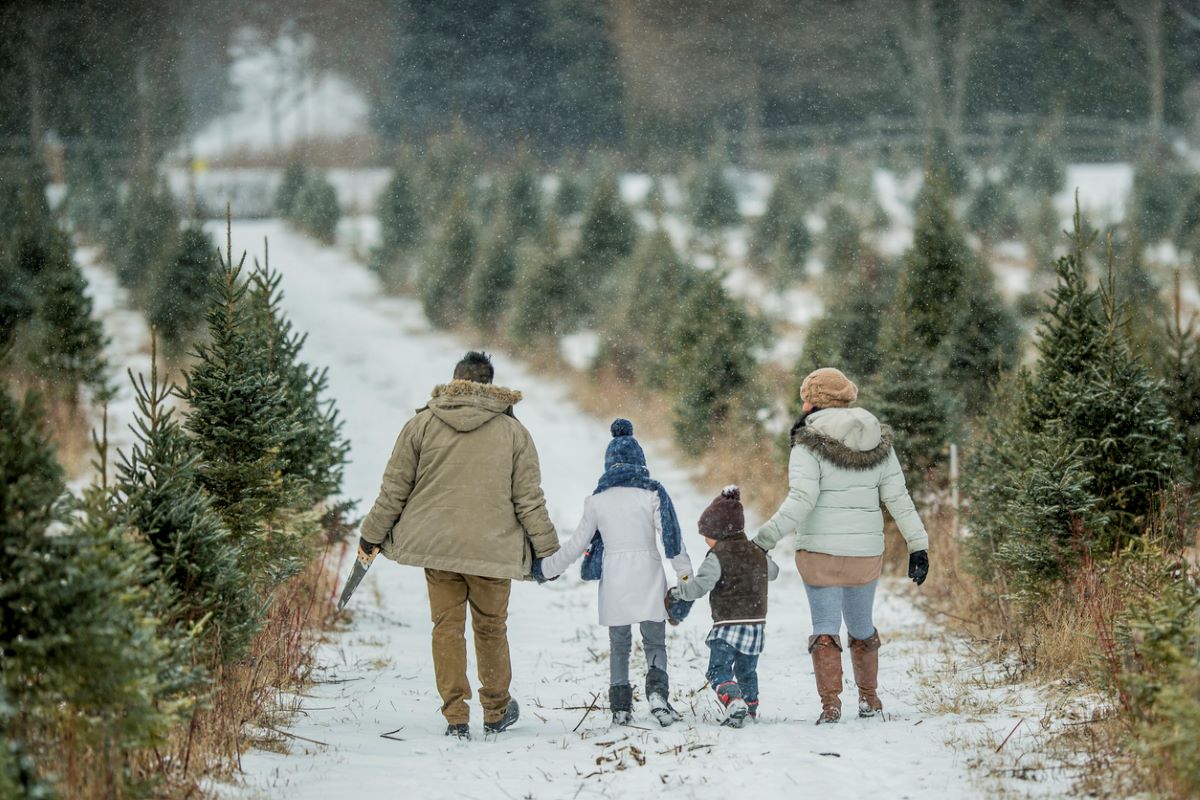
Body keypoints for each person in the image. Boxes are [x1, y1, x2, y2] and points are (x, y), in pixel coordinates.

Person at [359, 352, 560, 740]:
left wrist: (371, 534)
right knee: (491, 628)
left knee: (446, 629)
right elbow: (529, 500)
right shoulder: (514, 433)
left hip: (440, 547)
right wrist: (548, 551)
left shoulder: (421, 425)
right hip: (493, 550)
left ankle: (455, 716)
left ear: (454, 382)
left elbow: (394, 489)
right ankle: (496, 711)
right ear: (491, 385)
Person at [752, 367, 929, 725]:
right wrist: (918, 545)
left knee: (825, 628)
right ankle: (869, 698)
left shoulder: (807, 442)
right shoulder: (877, 439)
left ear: (813, 401)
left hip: (820, 553)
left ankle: (831, 705)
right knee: (862, 625)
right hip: (865, 553)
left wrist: (763, 539)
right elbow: (898, 497)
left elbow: (802, 499)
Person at [533, 419, 693, 727]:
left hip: (615, 578)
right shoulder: (652, 494)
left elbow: (577, 544)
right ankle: (658, 695)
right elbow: (671, 539)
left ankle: (620, 707)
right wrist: (686, 579)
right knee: (654, 642)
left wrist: (546, 568)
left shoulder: (597, 501)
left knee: (619, 645)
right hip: (648, 572)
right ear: (640, 461)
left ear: (609, 464)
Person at [669, 486, 779, 728]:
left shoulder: (717, 556)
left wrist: (679, 590)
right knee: (747, 671)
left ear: (719, 533)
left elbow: (698, 588)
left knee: (718, 670)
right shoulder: (755, 552)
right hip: (755, 625)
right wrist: (761, 555)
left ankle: (734, 701)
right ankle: (749, 708)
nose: (706, 541)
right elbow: (774, 573)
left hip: (727, 625)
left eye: (707, 536)